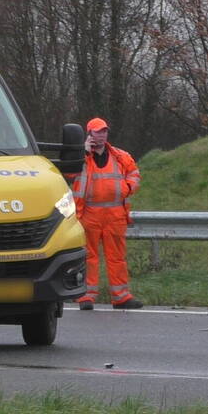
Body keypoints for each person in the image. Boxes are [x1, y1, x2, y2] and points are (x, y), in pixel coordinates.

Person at [65, 117, 142, 310]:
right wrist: (82, 152)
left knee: (117, 256)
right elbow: (68, 174)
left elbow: (134, 174)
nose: (101, 135)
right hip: (89, 212)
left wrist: (127, 187)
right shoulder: (81, 156)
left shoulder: (120, 155)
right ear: (89, 134)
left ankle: (121, 296)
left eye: (104, 131)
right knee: (88, 257)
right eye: (98, 131)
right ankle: (86, 297)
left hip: (115, 213)